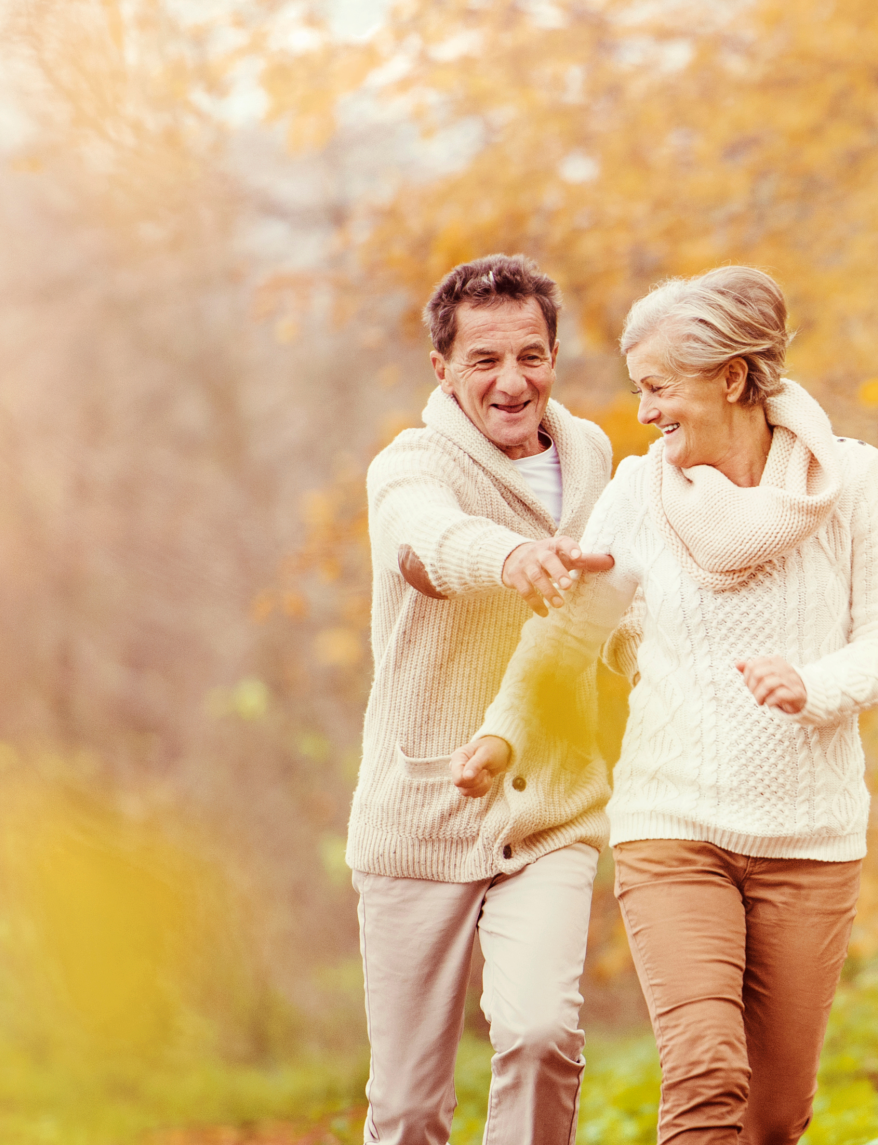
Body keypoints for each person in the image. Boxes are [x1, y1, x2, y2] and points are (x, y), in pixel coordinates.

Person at [452, 266, 878, 1145]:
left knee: (775, 1118)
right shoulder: (639, 493)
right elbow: (567, 634)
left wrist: (813, 686)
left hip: (809, 840)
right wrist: (502, 733)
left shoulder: (853, 483)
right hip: (672, 827)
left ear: (735, 378)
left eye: (660, 386)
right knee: (708, 1071)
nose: (645, 412)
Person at [348, 253, 619, 1145]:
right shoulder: (409, 467)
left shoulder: (592, 457)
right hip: (420, 813)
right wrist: (508, 559)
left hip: (551, 807)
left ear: (553, 354)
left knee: (542, 1033)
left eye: (532, 356)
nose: (512, 383)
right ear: (444, 370)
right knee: (407, 1106)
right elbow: (426, 543)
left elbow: (603, 607)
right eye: (485, 361)